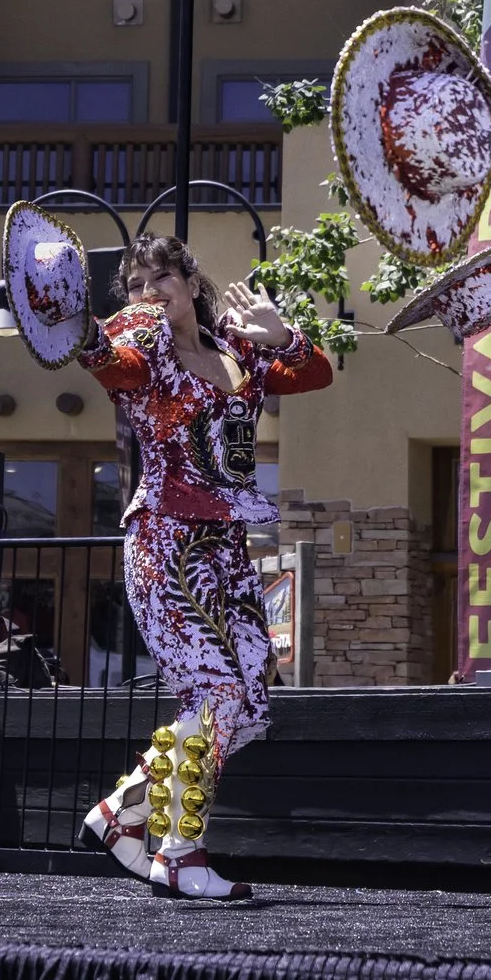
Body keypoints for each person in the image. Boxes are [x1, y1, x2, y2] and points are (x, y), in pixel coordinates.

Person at [76, 237, 333, 901]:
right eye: (134, 284)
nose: (149, 291)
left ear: (192, 282)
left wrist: (285, 335)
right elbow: (105, 362)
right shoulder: (144, 357)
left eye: (162, 276)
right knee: (215, 694)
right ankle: (180, 853)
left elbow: (317, 376)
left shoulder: (240, 350)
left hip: (224, 547)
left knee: (248, 700)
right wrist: (73, 323)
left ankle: (123, 811)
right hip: (164, 542)